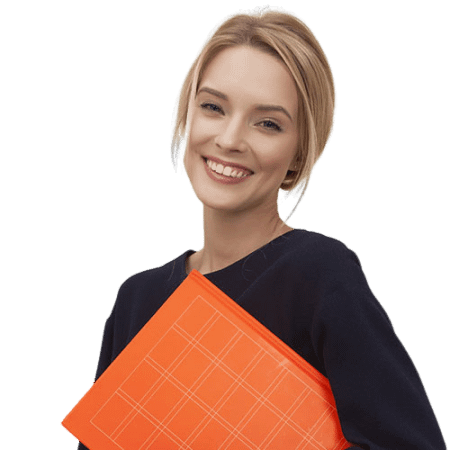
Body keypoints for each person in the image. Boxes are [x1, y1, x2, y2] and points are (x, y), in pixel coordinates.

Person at [77, 7, 445, 449]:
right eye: (213, 107)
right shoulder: (137, 299)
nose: (231, 139)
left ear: (298, 153)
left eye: (268, 123)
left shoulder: (319, 275)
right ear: (186, 117)